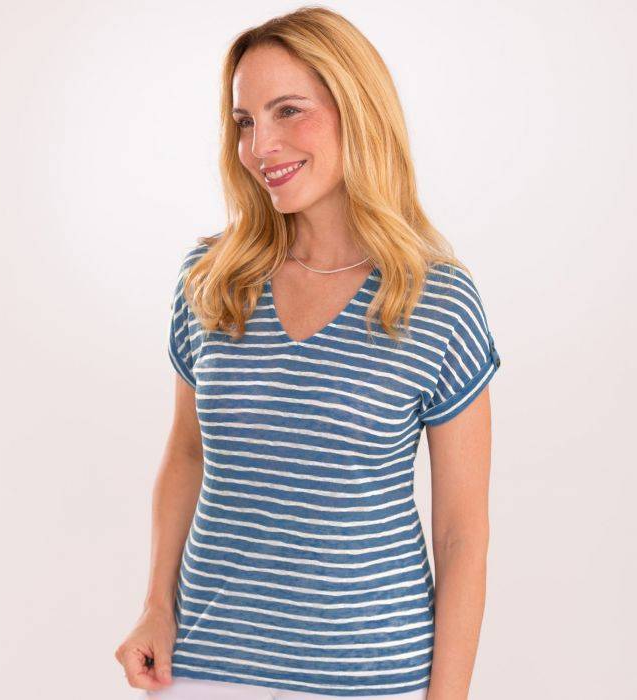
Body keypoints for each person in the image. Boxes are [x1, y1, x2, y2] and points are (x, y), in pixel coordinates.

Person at [115, 7, 501, 699]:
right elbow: (187, 454)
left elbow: (460, 534)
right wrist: (155, 607)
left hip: (370, 677)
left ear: (358, 110)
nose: (260, 145)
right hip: (205, 665)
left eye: (288, 110)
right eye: (244, 121)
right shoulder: (212, 278)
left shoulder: (436, 299)